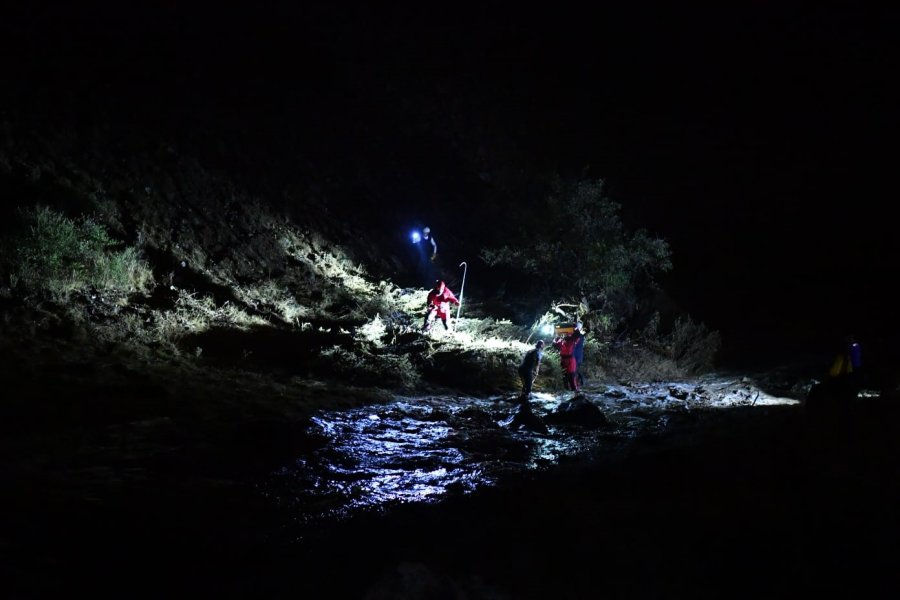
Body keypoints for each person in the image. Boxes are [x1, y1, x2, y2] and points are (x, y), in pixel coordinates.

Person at [572, 322, 586, 388]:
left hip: (576, 356)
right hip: (579, 356)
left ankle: (578, 383)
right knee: (576, 369)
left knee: (575, 369)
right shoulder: (582, 336)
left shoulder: (577, 336)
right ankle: (580, 382)